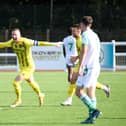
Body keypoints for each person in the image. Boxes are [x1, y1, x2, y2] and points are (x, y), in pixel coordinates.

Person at [0, 28, 62, 108]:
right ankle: (40, 94)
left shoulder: (26, 41)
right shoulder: (12, 42)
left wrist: (54, 44)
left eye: (15, 34)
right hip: (22, 67)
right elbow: (2, 44)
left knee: (16, 82)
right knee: (31, 81)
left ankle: (19, 100)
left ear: (20, 35)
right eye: (12, 34)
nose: (14, 36)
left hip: (29, 67)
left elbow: (40, 43)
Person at [61, 24, 110, 106]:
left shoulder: (81, 39)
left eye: (74, 31)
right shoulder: (74, 39)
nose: (72, 33)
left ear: (79, 31)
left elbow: (84, 52)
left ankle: (92, 106)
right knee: (75, 80)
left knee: (86, 83)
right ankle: (69, 99)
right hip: (81, 63)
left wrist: (76, 58)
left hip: (86, 64)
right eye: (72, 31)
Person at [75, 16, 102, 124]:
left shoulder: (85, 35)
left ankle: (94, 110)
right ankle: (92, 118)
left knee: (78, 91)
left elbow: (84, 51)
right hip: (96, 66)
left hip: (89, 67)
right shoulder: (94, 35)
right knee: (91, 92)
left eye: (80, 24)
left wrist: (81, 66)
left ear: (82, 24)